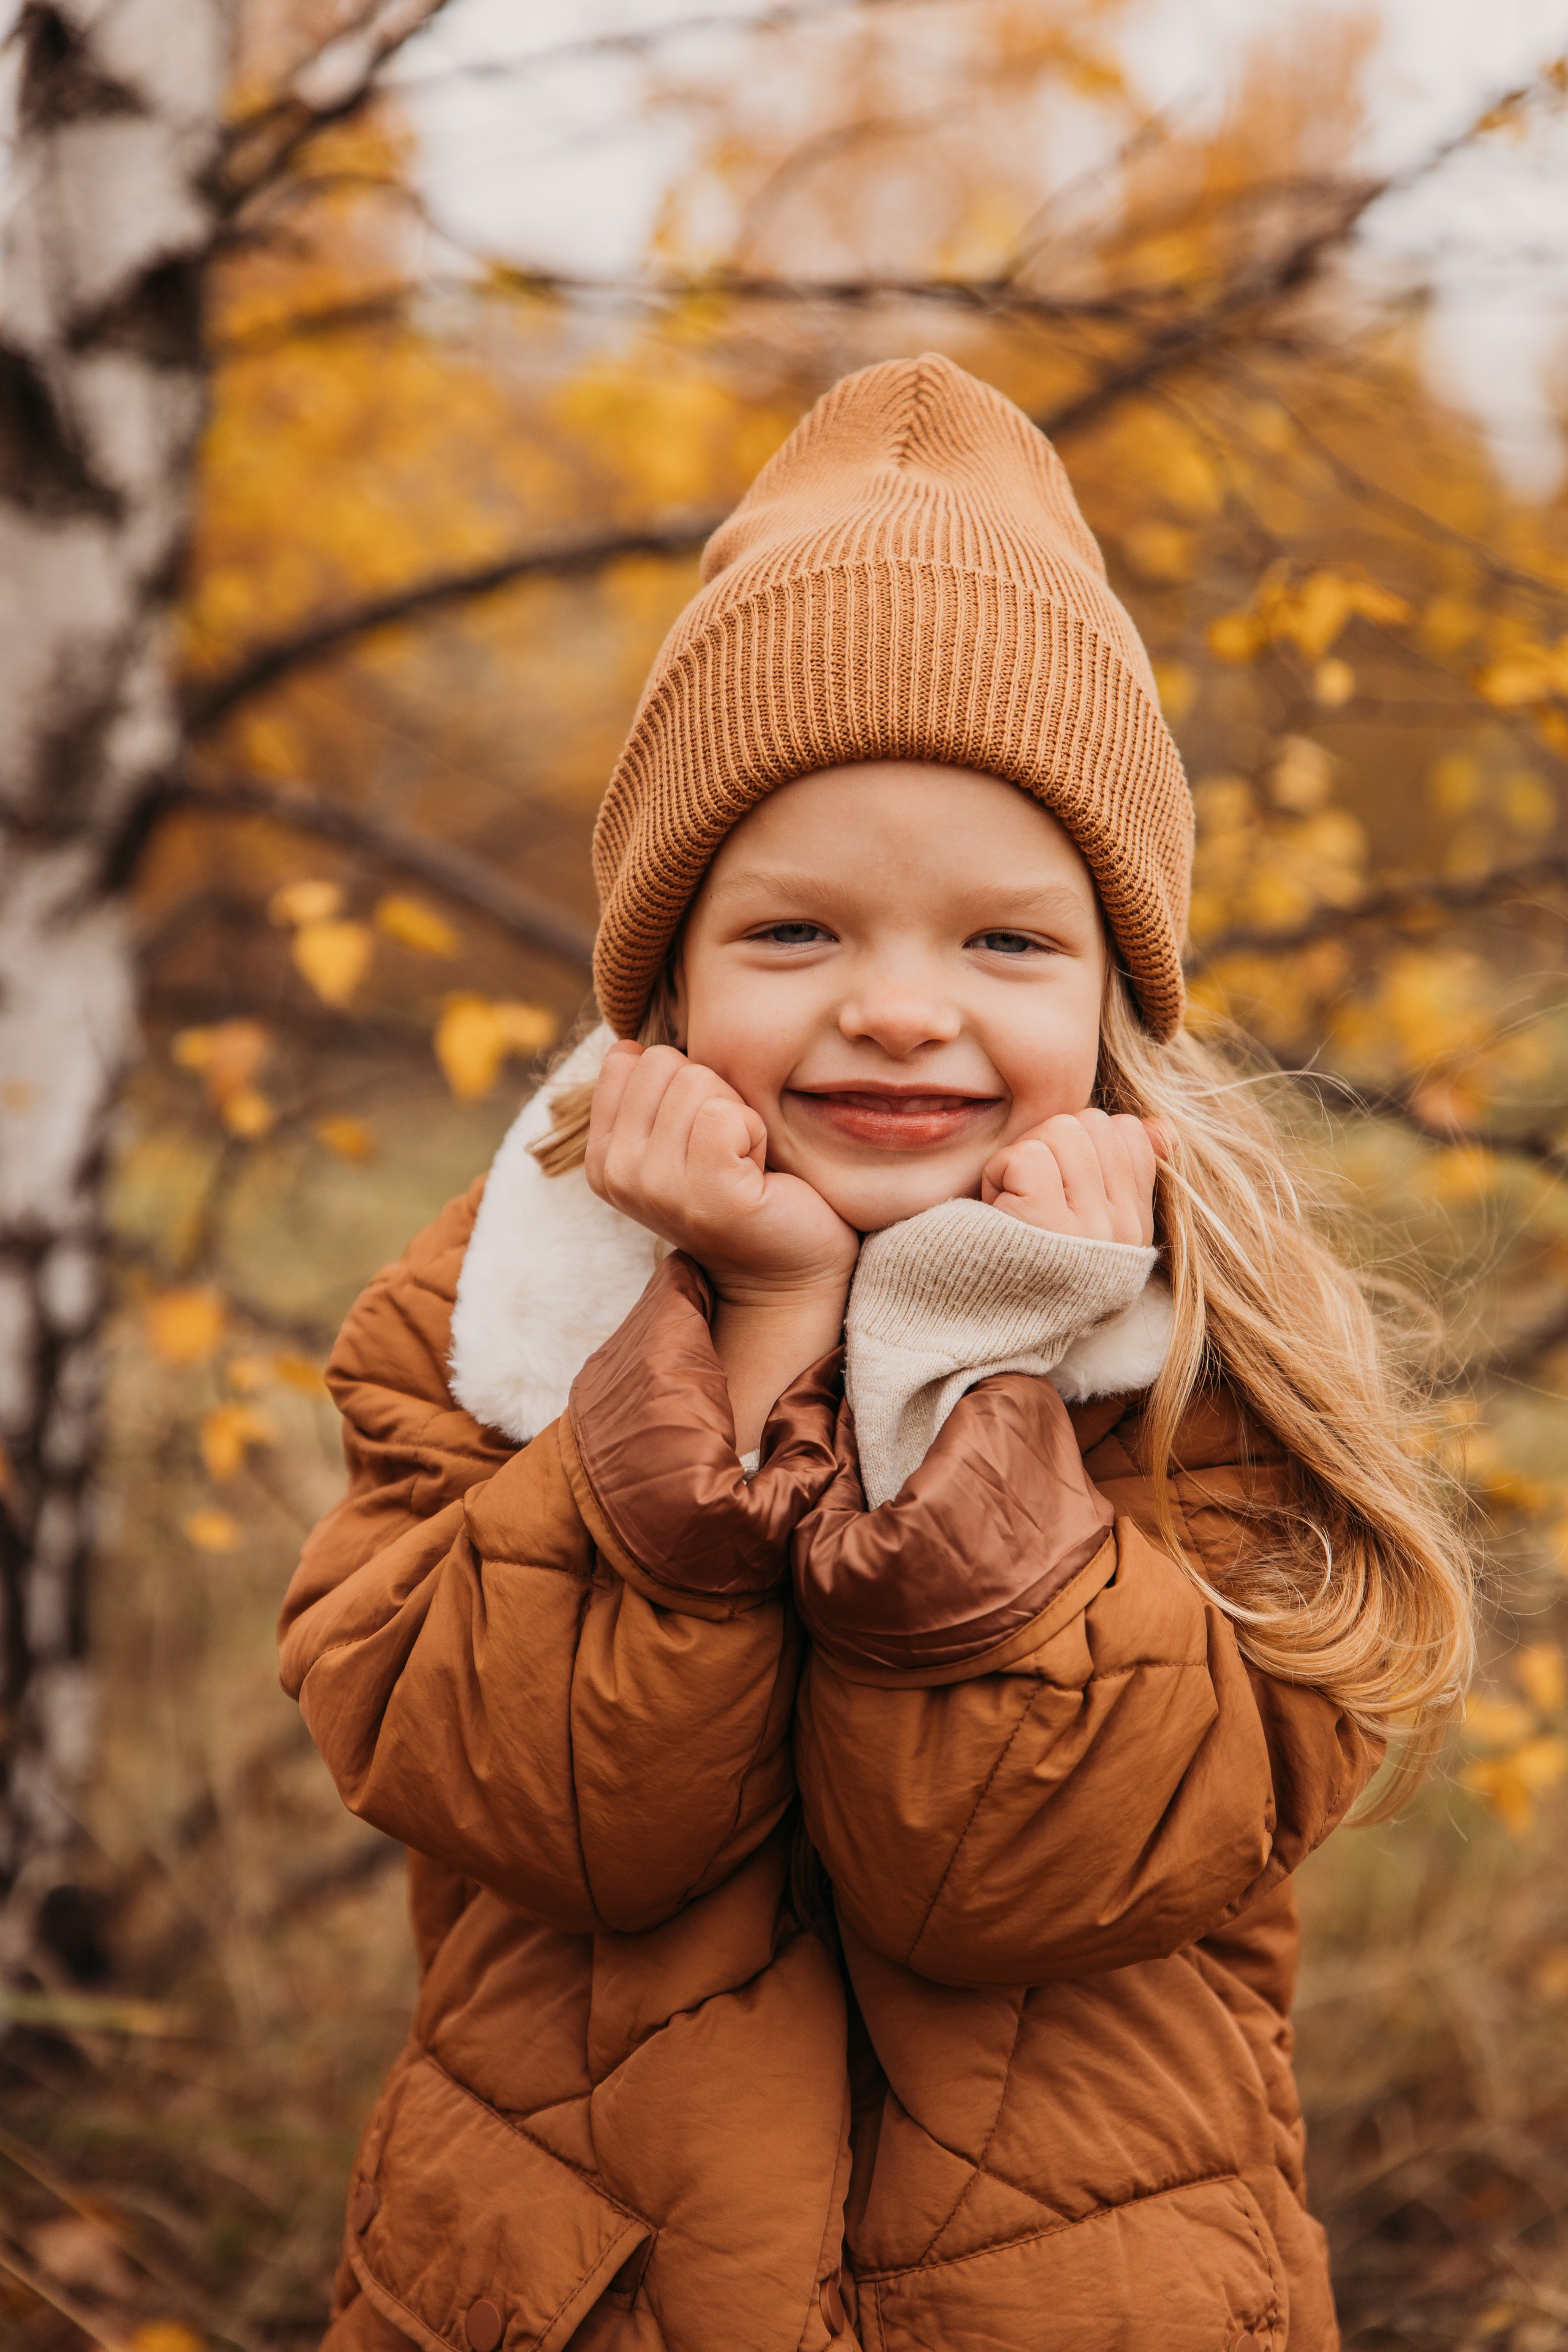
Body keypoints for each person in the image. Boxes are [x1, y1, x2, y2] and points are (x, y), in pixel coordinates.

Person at [279, 353, 1474, 2352]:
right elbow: (542, 1800)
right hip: (576, 2288)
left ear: (1114, 996)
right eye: (797, 935)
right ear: (665, 977)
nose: (901, 1009)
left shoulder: (1202, 1346)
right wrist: (745, 1334)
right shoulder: (492, 1316)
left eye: (1004, 943)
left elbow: (1020, 1877)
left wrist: (981, 1353)